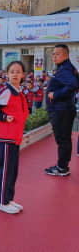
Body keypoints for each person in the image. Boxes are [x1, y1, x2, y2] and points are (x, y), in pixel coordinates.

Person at [0, 61, 29, 214]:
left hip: (15, 136)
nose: (15, 74)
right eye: (12, 71)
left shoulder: (19, 92)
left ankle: (8, 198)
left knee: (13, 170)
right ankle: (1, 201)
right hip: (6, 136)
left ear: (23, 75)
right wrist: (3, 116)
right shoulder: (6, 91)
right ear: (7, 74)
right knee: (7, 169)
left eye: (18, 71)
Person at [45, 44, 79, 176]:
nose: (54, 56)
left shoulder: (65, 69)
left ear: (66, 55)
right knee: (65, 139)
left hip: (61, 111)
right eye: (53, 54)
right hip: (64, 109)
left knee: (62, 139)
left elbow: (74, 84)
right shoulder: (68, 67)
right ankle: (63, 165)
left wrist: (56, 94)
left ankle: (61, 168)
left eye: (57, 54)